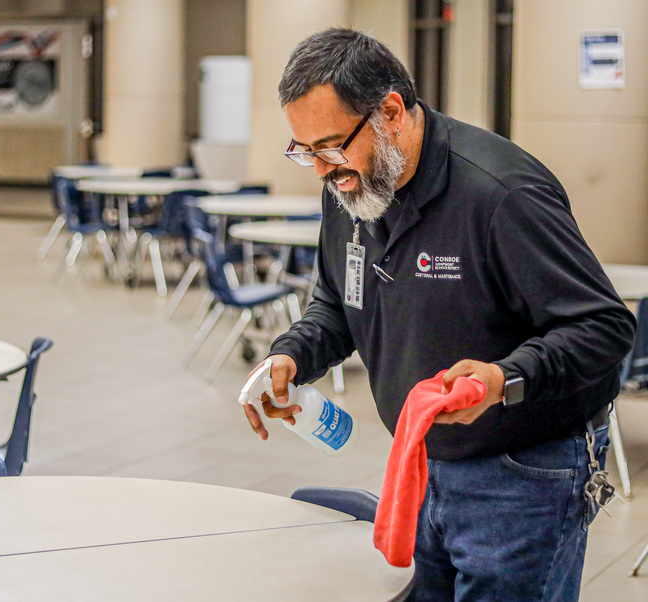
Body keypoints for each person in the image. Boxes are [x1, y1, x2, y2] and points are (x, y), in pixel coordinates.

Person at [242, 28, 636, 601]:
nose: (321, 170)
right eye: (304, 151)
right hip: (423, 462)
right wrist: (292, 355)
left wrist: (506, 378)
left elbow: (603, 325)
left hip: (523, 474)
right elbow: (338, 301)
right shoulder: (352, 190)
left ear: (392, 112)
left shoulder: (501, 194)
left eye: (329, 146)